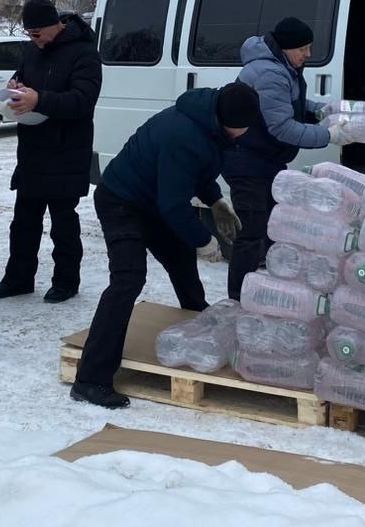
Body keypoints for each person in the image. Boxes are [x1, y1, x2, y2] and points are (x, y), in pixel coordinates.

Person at [72, 83, 261, 408]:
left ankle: (202, 333)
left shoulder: (210, 124)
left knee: (181, 261)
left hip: (153, 201)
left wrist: (216, 200)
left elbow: (195, 172)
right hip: (121, 201)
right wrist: (204, 241)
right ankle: (90, 379)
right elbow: (174, 204)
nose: (246, 133)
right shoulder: (184, 135)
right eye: (244, 127)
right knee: (128, 279)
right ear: (228, 119)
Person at [223, 17, 348, 302]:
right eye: (303, 48)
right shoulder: (270, 72)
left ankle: (268, 289)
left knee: (275, 225)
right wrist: (329, 135)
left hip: (263, 159)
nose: (308, 54)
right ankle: (237, 298)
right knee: (252, 230)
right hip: (246, 160)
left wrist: (320, 110)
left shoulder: (282, 65)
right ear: (287, 47)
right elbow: (281, 127)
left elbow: (289, 104)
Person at [0, 0, 102, 304]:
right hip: (33, 150)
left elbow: (83, 100)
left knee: (63, 225)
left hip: (67, 151)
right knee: (23, 223)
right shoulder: (31, 51)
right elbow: (26, 83)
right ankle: (19, 279)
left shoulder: (84, 53)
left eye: (36, 34)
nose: (33, 40)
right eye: (28, 35)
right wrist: (17, 88)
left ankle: (66, 281)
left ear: (53, 26)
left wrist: (40, 100)